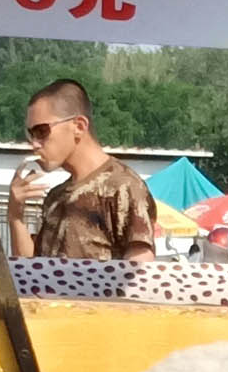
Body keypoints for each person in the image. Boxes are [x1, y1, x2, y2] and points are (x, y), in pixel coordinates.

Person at [20, 76, 161, 263]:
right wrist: (15, 215)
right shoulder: (56, 196)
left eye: (41, 131)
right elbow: (30, 271)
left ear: (79, 126)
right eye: (30, 134)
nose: (34, 144)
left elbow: (138, 271)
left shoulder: (123, 186)